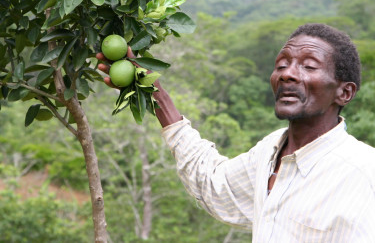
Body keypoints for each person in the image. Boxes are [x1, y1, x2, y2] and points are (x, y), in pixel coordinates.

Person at [97, 23, 375, 242]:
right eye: (281, 64)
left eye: (308, 66)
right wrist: (157, 97)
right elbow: (215, 186)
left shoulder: (364, 173)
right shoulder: (270, 152)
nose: (287, 74)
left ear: (344, 92)